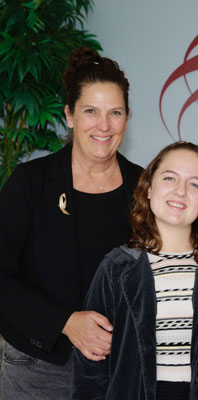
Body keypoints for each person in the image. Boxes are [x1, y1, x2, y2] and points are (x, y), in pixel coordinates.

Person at [0, 47, 143, 399]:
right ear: (69, 115)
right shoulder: (30, 181)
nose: (104, 126)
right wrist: (65, 322)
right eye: (91, 111)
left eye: (115, 113)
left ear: (127, 118)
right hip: (37, 370)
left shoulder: (145, 188)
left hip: (120, 371)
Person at [72, 141, 198, 399]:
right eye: (170, 178)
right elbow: (90, 369)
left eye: (194, 184)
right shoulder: (116, 268)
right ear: (148, 189)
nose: (181, 191)